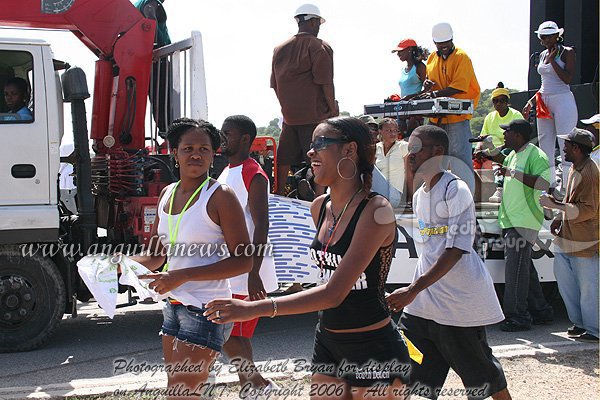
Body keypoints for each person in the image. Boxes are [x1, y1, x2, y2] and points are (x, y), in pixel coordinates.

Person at [206, 117, 411, 399]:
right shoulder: (320, 207)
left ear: (349, 150)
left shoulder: (376, 210)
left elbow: (334, 293)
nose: (310, 151)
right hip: (328, 340)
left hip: (373, 344)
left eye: (321, 143)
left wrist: (254, 308)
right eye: (311, 144)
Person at [387, 125, 511, 400]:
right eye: (409, 149)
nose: (410, 154)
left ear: (438, 152)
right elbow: (432, 247)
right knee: (407, 372)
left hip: (458, 305)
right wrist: (416, 292)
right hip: (422, 307)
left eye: (416, 148)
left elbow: (456, 250)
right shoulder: (420, 194)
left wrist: (412, 289)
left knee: (484, 378)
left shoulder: (456, 190)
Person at [132, 118, 252, 399]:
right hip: (173, 306)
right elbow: (155, 256)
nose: (196, 155)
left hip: (206, 309)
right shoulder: (167, 193)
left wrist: (182, 276)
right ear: (174, 153)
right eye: (188, 148)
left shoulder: (220, 196)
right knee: (179, 392)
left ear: (213, 155)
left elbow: (244, 260)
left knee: (181, 394)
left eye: (203, 149)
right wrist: (120, 264)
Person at [217, 115, 280, 394]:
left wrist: (254, 273)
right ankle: (251, 388)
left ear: (244, 139)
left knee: (223, 330)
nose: (222, 138)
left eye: (227, 133)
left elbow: (262, 223)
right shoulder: (227, 170)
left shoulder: (252, 172)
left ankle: (259, 384)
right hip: (232, 264)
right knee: (237, 334)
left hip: (246, 267)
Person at [479, 119, 554, 331]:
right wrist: (490, 149)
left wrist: (512, 173)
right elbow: (504, 162)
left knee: (515, 272)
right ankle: (541, 310)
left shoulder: (536, 155)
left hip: (524, 221)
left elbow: (543, 183)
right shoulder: (514, 154)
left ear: (518, 135)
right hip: (512, 220)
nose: (504, 135)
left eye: (507, 132)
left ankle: (518, 317)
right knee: (524, 267)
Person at [271, 3, 338, 195]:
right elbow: (326, 82)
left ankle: (279, 194)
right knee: (320, 157)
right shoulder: (319, 46)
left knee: (284, 158)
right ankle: (319, 196)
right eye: (318, 23)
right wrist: (332, 109)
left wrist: (287, 107)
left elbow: (275, 84)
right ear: (313, 22)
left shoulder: (279, 49)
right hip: (316, 116)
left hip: (289, 117)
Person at [540, 128, 599, 343]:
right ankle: (580, 324)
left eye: (566, 145)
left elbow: (588, 210)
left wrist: (555, 205)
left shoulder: (590, 173)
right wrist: (559, 216)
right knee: (567, 285)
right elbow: (571, 200)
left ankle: (594, 329)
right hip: (569, 237)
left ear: (576, 148)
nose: (563, 148)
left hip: (585, 241)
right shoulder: (576, 167)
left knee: (588, 287)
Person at [418, 22, 480, 192]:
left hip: (457, 116)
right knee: (435, 158)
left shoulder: (462, 57)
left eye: (446, 43)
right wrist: (428, 85)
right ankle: (438, 196)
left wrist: (434, 94)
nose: (443, 47)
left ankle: (466, 199)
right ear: (434, 42)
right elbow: (432, 82)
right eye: (440, 44)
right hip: (437, 117)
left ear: (452, 39)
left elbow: (459, 86)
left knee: (460, 159)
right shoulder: (432, 58)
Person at [523, 21, 577, 189]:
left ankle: (568, 188)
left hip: (563, 100)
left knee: (565, 145)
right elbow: (544, 85)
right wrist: (531, 102)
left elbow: (567, 79)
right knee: (545, 146)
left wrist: (553, 60)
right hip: (543, 102)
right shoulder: (541, 55)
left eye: (549, 36)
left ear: (557, 36)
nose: (546, 39)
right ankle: (550, 187)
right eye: (543, 37)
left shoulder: (567, 52)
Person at [477, 83, 524, 202]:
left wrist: (495, 150)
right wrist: (477, 149)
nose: (498, 103)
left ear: (507, 102)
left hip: (510, 150)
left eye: (502, 100)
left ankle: (500, 188)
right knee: (474, 157)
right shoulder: (489, 117)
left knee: (502, 154)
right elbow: (482, 138)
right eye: (495, 101)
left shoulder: (516, 115)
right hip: (492, 149)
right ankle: (474, 193)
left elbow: (518, 141)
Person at [135, 0, 171, 133]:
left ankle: (165, 130)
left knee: (154, 100)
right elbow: (150, 15)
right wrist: (153, 46)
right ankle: (167, 131)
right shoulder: (151, 2)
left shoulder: (137, 4)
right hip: (156, 60)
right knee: (163, 99)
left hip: (142, 59)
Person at [392, 38, 427, 136]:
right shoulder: (404, 69)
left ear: (410, 49)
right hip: (403, 114)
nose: (398, 54)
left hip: (415, 115)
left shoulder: (420, 67)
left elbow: (428, 90)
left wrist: (410, 97)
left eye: (401, 51)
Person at [375, 118, 409, 195]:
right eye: (389, 130)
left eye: (395, 130)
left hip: (396, 193)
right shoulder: (376, 148)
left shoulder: (403, 146)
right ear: (380, 132)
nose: (393, 134)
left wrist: (409, 194)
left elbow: (409, 172)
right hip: (378, 192)